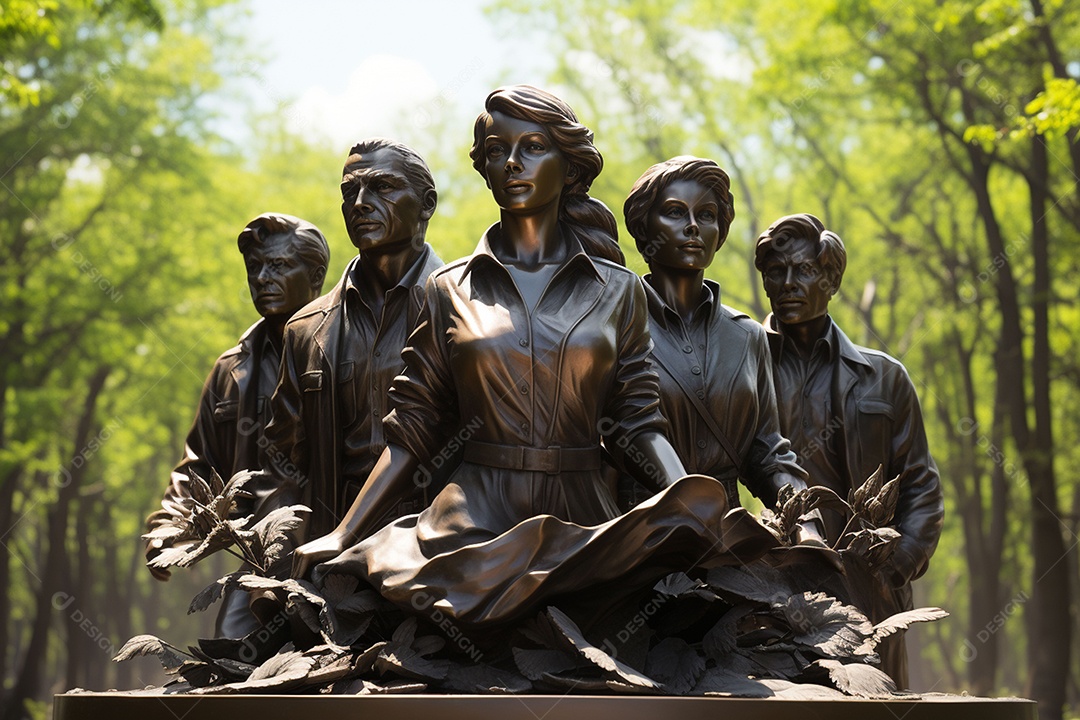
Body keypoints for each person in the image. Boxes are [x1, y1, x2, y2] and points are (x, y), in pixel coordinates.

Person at [290, 86, 792, 631]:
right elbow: (413, 430)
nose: (512, 163)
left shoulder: (618, 292)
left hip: (586, 526)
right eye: (497, 150)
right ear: (483, 166)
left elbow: (639, 422)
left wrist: (686, 504)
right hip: (468, 529)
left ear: (568, 166)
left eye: (532, 147)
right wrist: (345, 532)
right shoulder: (448, 289)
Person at [755, 212, 944, 687]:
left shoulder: (886, 377)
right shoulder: (742, 370)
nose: (789, 283)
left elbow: (921, 490)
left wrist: (890, 572)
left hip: (872, 596)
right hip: (773, 594)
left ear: (832, 278)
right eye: (776, 272)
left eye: (804, 270)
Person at [145, 213, 329, 638]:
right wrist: (167, 528)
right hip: (260, 557)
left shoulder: (345, 350)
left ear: (316, 276)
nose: (263, 278)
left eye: (279, 266)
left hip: (340, 547)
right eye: (255, 268)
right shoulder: (231, 370)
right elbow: (198, 464)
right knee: (232, 647)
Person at [263, 139, 446, 541]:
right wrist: (277, 556)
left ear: (427, 204)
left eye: (382, 187)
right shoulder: (306, 329)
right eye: (350, 192)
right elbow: (282, 465)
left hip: (440, 554)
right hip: (332, 555)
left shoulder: (469, 310)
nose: (360, 202)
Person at [621, 156, 807, 511]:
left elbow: (767, 451)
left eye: (706, 215)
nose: (693, 226)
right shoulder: (615, 326)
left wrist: (805, 519)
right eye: (675, 212)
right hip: (637, 534)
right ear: (644, 229)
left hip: (727, 537)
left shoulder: (747, 336)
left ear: (720, 231)